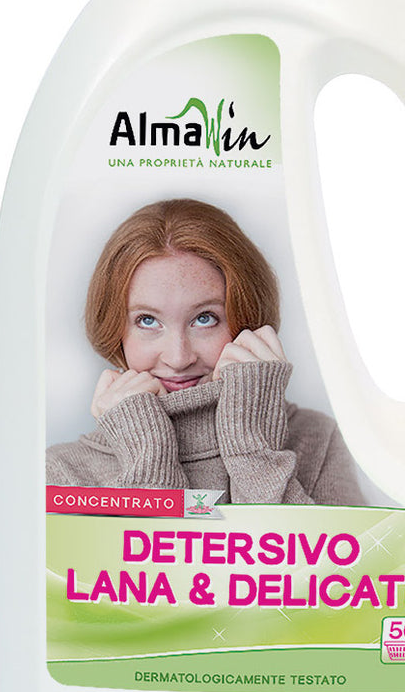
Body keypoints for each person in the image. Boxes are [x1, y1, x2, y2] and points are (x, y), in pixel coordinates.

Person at [46, 198, 364, 505]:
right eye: (147, 320)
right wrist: (148, 460)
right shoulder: (62, 473)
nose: (178, 358)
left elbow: (327, 549)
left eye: (204, 318)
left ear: (247, 320)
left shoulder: (318, 440)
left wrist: (254, 451)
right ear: (115, 328)